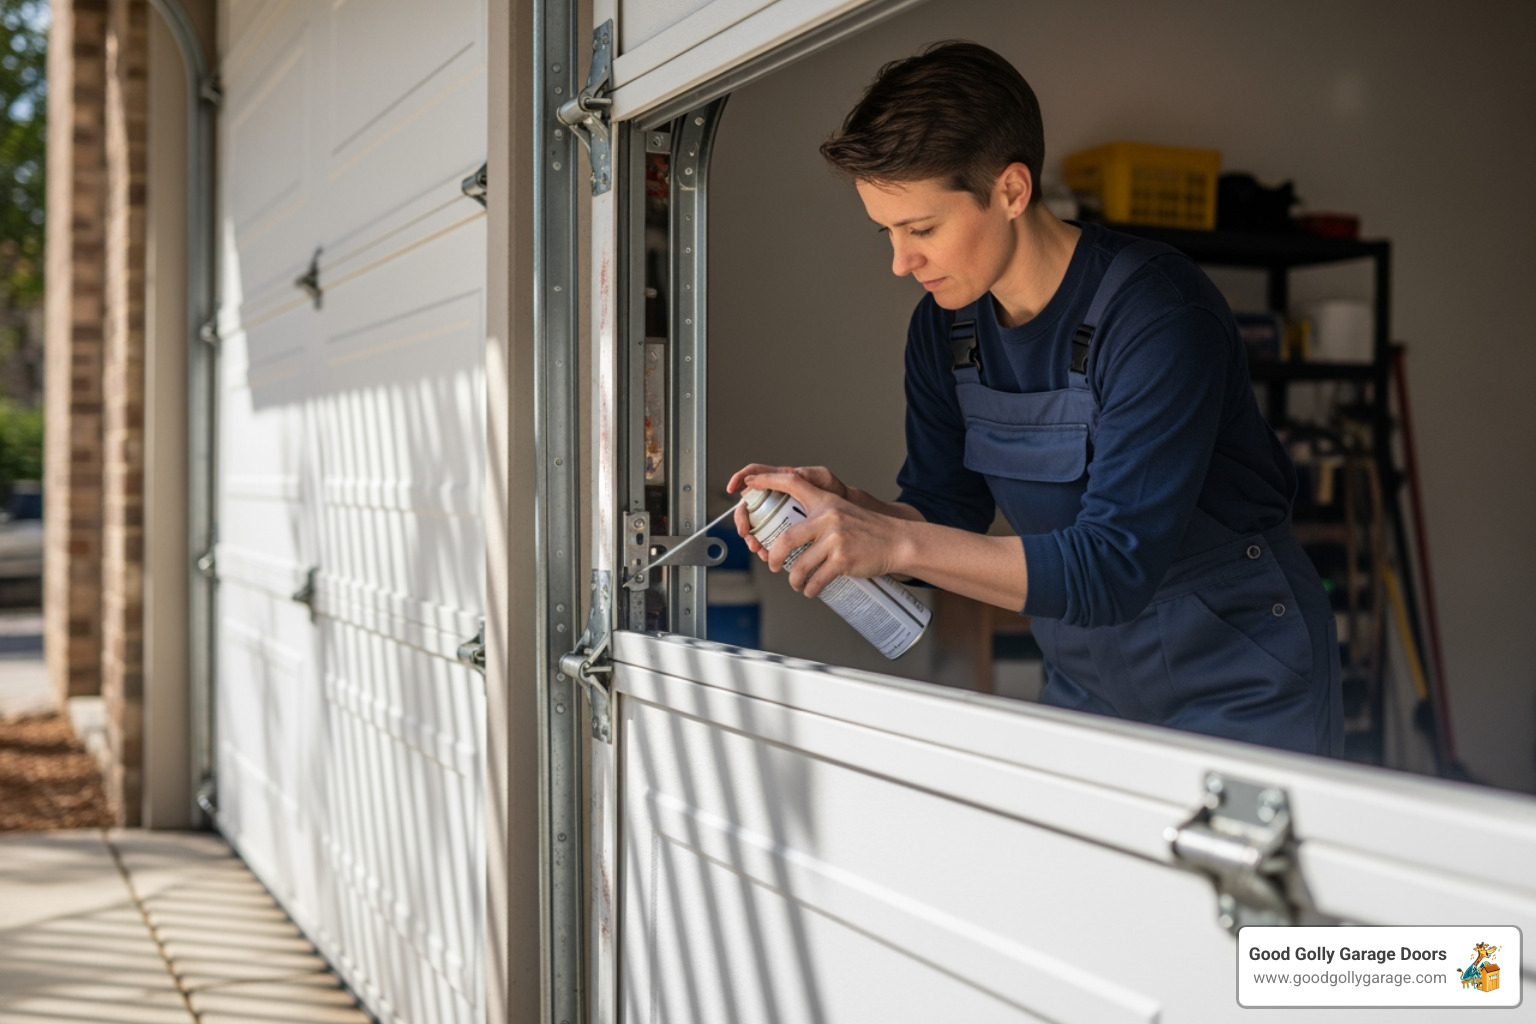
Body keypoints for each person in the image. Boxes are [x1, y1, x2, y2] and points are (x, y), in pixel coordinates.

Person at [728, 41, 1343, 757]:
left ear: (1013, 191)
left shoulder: (1158, 315)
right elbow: (944, 512)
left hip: (1240, 677)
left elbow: (1113, 567)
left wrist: (893, 541)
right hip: (1089, 683)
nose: (900, 262)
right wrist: (856, 516)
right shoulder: (944, 328)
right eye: (887, 232)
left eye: (922, 229)